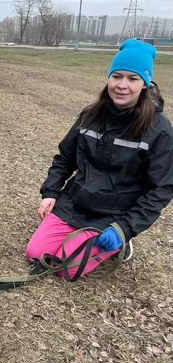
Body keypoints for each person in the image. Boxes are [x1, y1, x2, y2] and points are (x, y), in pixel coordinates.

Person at [26, 39, 173, 279]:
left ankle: (120, 244)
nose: (122, 85)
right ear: (108, 79)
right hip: (76, 202)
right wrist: (51, 192)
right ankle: (76, 235)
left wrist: (125, 228)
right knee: (36, 254)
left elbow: (161, 189)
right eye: (116, 76)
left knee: (67, 269)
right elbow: (65, 157)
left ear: (145, 84)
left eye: (132, 79)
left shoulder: (159, 129)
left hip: (114, 214)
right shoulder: (90, 114)